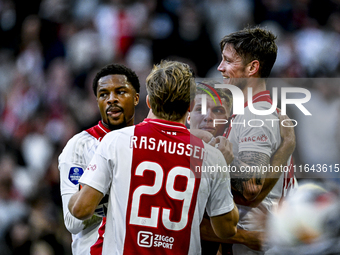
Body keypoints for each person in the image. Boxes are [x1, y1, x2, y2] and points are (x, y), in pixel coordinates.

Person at [68, 60, 239, 254]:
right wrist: (223, 169)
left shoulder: (115, 141)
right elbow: (227, 230)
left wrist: (82, 190)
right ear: (191, 106)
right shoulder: (211, 156)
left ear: (149, 101)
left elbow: (80, 210)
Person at [215, 26, 297, 254]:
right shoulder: (253, 112)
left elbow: (251, 187)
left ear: (252, 67)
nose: (220, 67)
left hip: (253, 243)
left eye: (228, 61)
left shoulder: (256, 115)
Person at [188, 81, 296, 254]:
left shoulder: (223, 152)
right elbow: (182, 221)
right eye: (199, 109)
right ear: (188, 115)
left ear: (229, 121)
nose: (208, 117)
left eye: (217, 111)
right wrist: (287, 147)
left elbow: (251, 194)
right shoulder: (186, 153)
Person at [58, 63, 140, 254]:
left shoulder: (147, 142)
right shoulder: (80, 145)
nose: (111, 99)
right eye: (104, 94)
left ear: (136, 98)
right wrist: (111, 191)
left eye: (120, 92)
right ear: (97, 101)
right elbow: (72, 221)